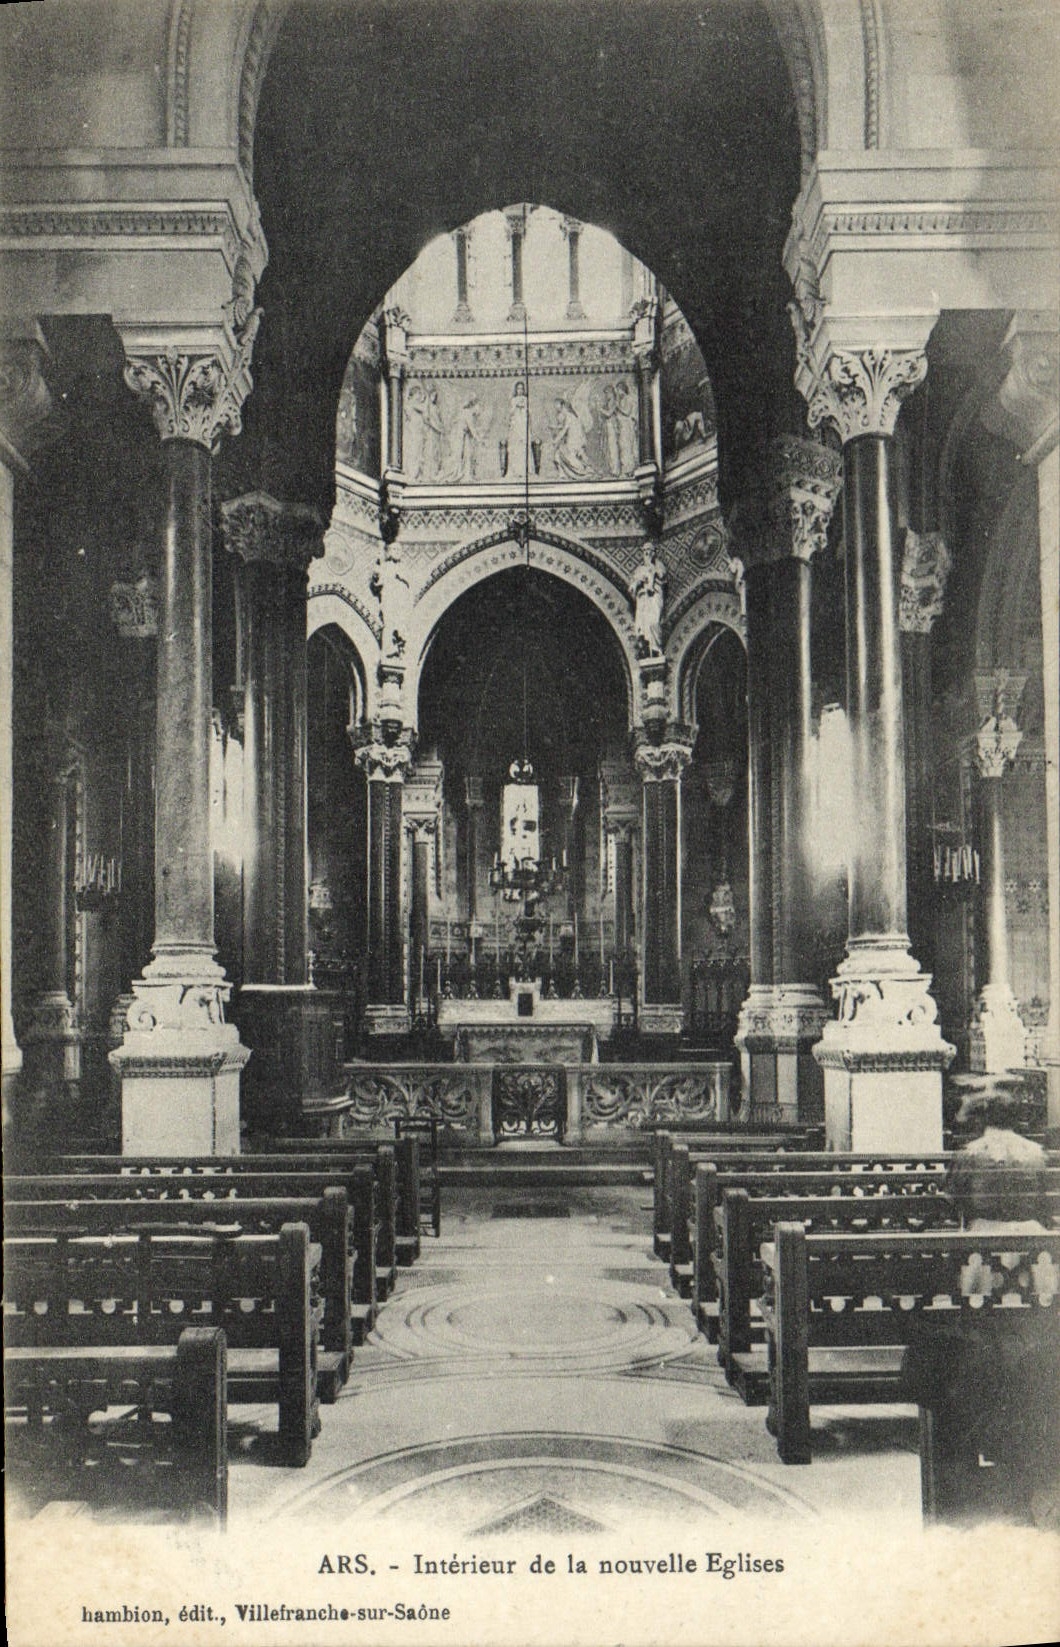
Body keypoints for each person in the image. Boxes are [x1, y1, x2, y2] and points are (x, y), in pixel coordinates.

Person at [630, 540, 667, 657]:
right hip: (644, 598)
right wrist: (638, 582)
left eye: (650, 551)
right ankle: (648, 649)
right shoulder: (639, 569)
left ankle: (656, 646)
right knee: (643, 624)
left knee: (654, 622)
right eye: (645, 551)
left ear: (654, 553)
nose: (648, 553)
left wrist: (652, 569)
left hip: (655, 595)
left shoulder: (658, 565)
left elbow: (662, 576)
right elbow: (632, 586)